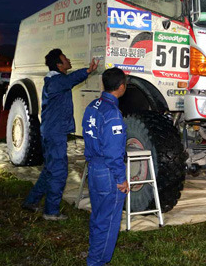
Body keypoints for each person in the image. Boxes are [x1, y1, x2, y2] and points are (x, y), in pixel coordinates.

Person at [22, 49, 99, 220]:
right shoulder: (56, 81)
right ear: (59, 65)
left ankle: (32, 201)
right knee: (58, 171)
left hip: (52, 131)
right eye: (65, 59)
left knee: (50, 169)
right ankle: (51, 211)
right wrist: (88, 70)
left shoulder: (55, 81)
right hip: (54, 133)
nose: (68, 60)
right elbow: (71, 80)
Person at [83, 68, 129, 266]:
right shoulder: (113, 114)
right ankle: (97, 261)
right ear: (121, 87)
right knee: (108, 221)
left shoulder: (93, 106)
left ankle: (94, 255)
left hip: (94, 168)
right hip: (108, 172)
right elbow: (113, 152)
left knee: (98, 217)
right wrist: (121, 179)